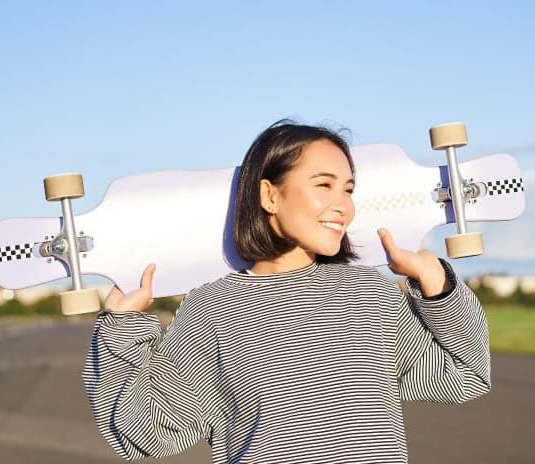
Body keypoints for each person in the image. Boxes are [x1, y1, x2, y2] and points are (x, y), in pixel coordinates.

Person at [82, 120, 491, 463]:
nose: (344, 205)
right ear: (269, 195)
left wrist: (435, 281)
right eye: (324, 185)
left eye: (348, 189)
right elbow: (145, 432)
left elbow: (466, 375)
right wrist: (121, 327)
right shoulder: (213, 310)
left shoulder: (370, 295)